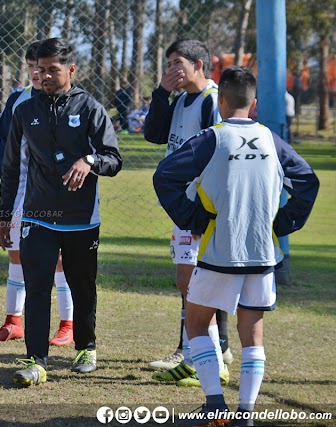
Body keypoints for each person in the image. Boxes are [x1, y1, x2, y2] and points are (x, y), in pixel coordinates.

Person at [154, 66, 319, 427]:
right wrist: (282, 223)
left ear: (221, 101)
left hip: (219, 251)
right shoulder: (272, 141)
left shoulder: (212, 138)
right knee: (253, 334)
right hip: (262, 253)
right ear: (254, 103)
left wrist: (192, 218)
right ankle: (246, 413)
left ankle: (215, 405)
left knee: (197, 323)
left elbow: (165, 175)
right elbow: (307, 181)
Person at [0, 38, 122, 387]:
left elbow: (114, 159)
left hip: (82, 218)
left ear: (71, 70)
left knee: (83, 285)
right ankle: (36, 359)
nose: (45, 75)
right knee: (37, 286)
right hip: (38, 214)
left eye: (53, 69)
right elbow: (10, 168)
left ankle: (86, 347)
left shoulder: (92, 109)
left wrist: (90, 161)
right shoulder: (24, 112)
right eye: (40, 68)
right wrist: (5, 214)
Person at [144, 39, 233, 384]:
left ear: (199, 64)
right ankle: (206, 348)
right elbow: (153, 134)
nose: (171, 70)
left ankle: (201, 355)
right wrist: (159, 94)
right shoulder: (180, 99)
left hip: (201, 208)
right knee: (195, 280)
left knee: (194, 280)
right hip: (184, 205)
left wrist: (207, 206)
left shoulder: (212, 100)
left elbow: (221, 152)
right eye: (168, 63)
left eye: (178, 62)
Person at [0, 41, 75, 346]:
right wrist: (3, 170)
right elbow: (3, 143)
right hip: (20, 191)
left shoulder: (66, 101)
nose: (37, 73)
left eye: (43, 67)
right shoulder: (18, 100)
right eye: (31, 67)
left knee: (59, 258)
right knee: (16, 251)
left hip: (55, 192)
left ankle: (68, 324)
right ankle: (13, 321)